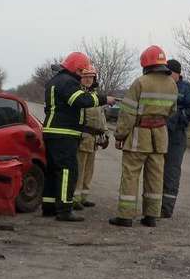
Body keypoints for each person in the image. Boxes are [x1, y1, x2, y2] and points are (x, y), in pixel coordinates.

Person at [109, 45, 178, 228]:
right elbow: (172, 111)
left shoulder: (140, 82)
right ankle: (151, 216)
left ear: (145, 63)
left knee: (130, 176)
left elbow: (128, 113)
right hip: (160, 138)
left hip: (138, 137)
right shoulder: (172, 84)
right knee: (155, 176)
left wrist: (120, 134)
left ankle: (125, 216)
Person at [43, 52, 114, 222]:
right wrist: (104, 99)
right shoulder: (68, 82)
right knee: (68, 170)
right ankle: (65, 210)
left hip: (53, 131)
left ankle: (49, 205)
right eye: (82, 71)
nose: (83, 75)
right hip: (64, 133)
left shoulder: (56, 81)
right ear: (76, 68)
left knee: (53, 170)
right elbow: (80, 100)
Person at [161, 58, 190, 218]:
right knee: (155, 170)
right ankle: (151, 205)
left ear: (178, 74)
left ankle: (166, 208)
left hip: (176, 136)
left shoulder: (188, 89)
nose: (167, 76)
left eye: (170, 73)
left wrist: (176, 118)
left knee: (171, 171)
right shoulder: (161, 87)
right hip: (158, 133)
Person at [74, 65, 109, 209]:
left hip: (94, 139)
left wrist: (105, 133)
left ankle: (83, 197)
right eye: (85, 77)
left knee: (89, 170)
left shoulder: (95, 95)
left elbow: (102, 116)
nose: (88, 80)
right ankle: (74, 199)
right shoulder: (79, 96)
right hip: (83, 137)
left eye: (91, 77)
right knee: (79, 169)